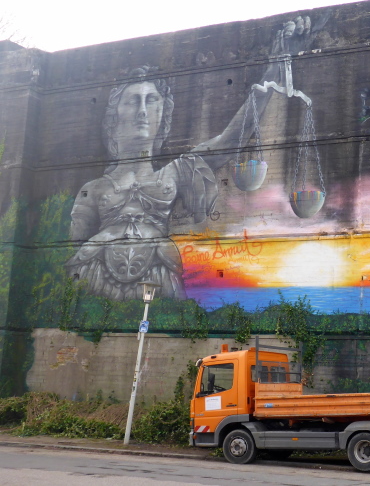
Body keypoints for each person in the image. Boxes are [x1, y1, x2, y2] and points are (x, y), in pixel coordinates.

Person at [65, 16, 319, 300]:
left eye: (151, 100)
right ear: (115, 115)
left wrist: (274, 67)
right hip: (95, 280)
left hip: (158, 280)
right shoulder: (93, 189)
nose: (142, 111)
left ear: (163, 113)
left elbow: (229, 140)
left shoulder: (177, 171)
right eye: (133, 100)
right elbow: (69, 249)